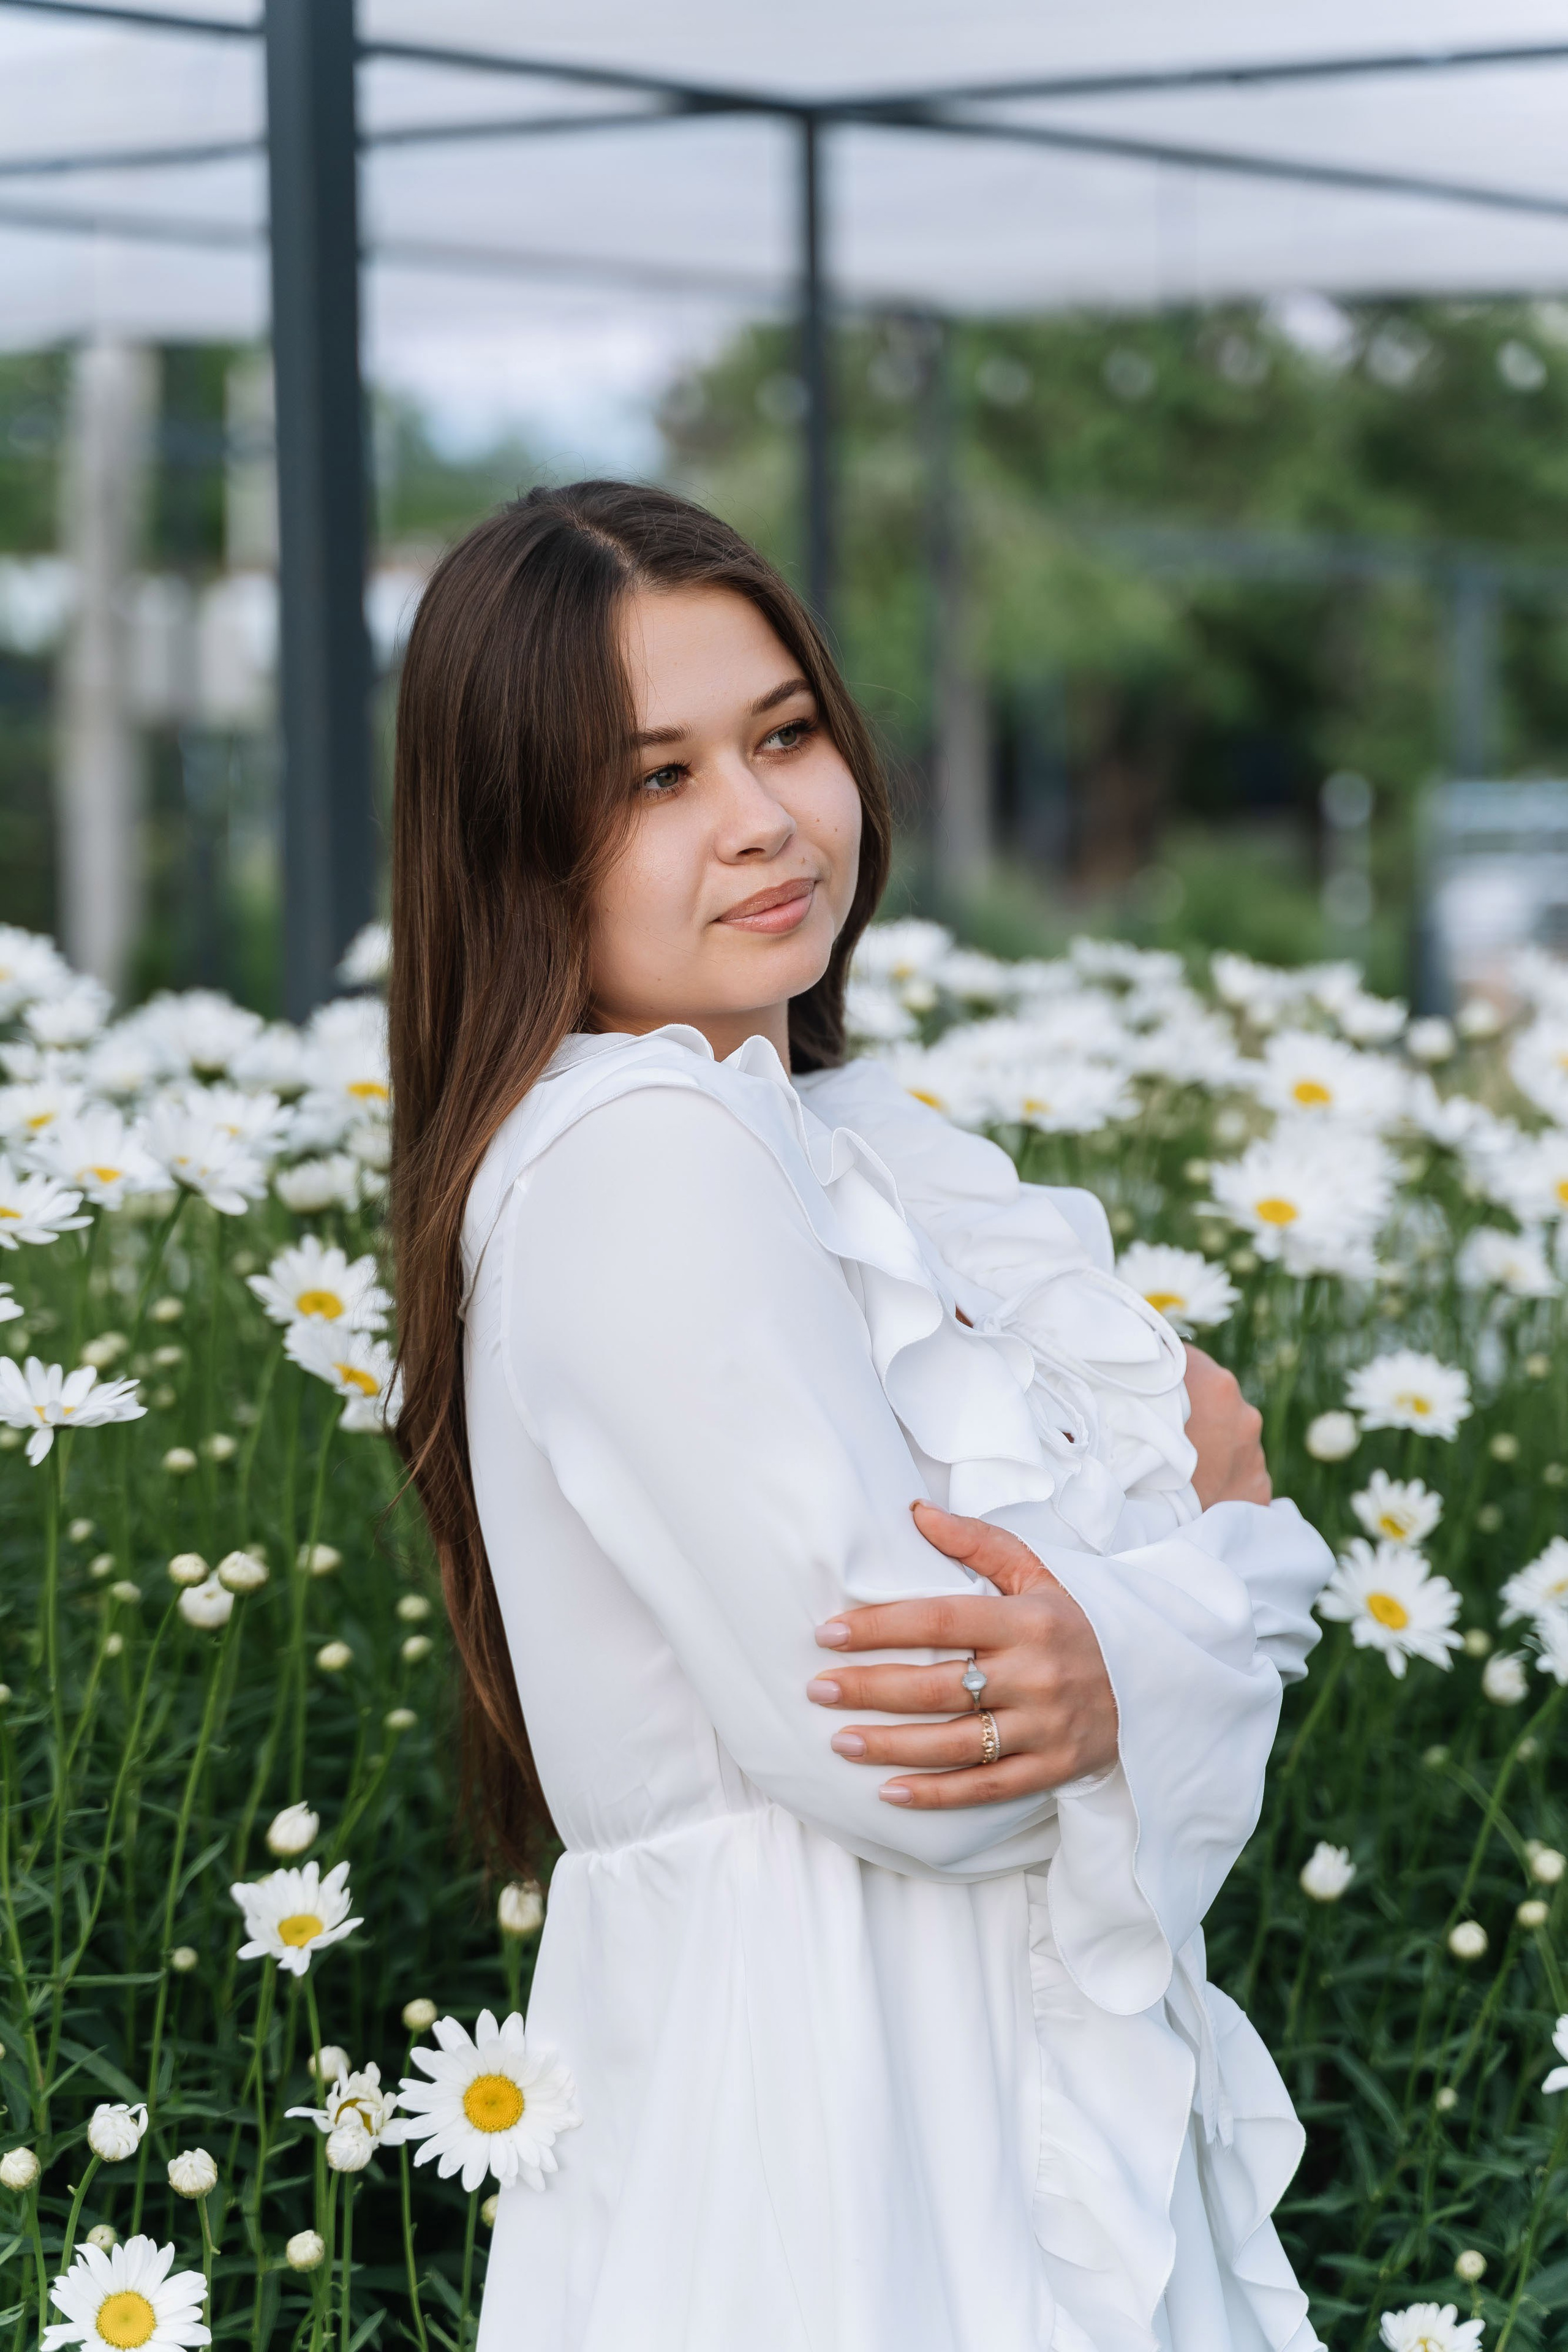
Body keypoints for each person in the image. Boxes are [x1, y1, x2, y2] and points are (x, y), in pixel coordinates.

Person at [388, 480, 1334, 2352]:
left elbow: (1026, 1675)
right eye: (651, 779)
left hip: (928, 2075)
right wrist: (1208, 1571)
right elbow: (930, 1761)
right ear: (515, 839)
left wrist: (1120, 1644)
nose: (760, 821)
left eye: (785, 733)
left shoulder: (825, 1137)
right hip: (836, 2128)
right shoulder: (639, 1151)